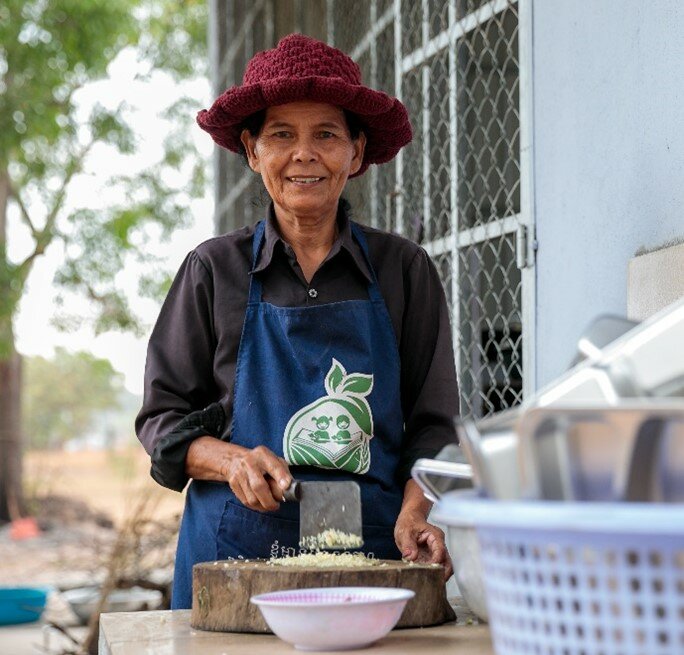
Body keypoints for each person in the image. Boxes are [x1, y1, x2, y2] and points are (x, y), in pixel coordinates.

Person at [135, 33, 459, 610]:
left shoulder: (403, 270)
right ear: (253, 151)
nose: (304, 154)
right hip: (232, 558)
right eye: (281, 134)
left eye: (326, 135)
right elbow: (163, 422)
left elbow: (433, 428)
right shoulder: (213, 270)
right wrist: (232, 460)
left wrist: (416, 510)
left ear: (356, 154)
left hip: (376, 555)